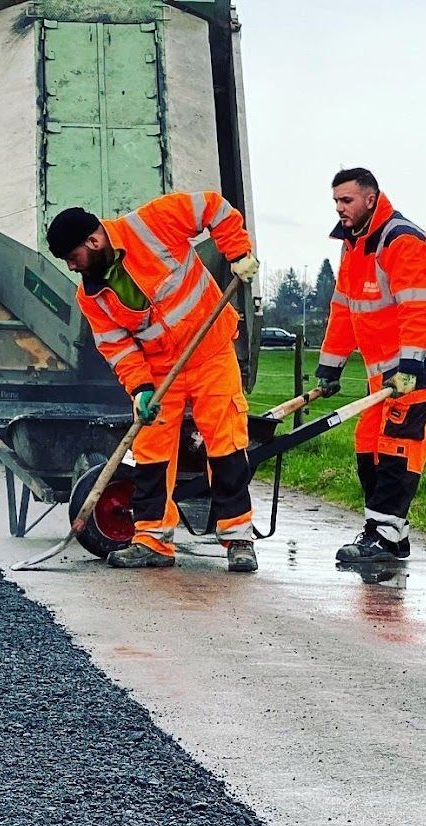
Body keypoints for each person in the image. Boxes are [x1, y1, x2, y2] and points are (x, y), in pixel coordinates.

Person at [46, 192, 261, 573]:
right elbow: (117, 347)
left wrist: (238, 252)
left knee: (225, 441)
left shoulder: (152, 223)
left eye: (73, 258)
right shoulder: (90, 296)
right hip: (161, 369)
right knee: (150, 451)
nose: (72, 267)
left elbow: (213, 207)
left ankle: (238, 538)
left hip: (211, 351)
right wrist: (140, 389)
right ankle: (152, 540)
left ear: (93, 241)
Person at [313, 168, 426, 564]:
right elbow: (343, 309)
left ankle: (385, 536)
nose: (339, 208)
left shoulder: (401, 240)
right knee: (368, 442)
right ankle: (387, 532)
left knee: (398, 445)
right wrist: (330, 366)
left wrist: (410, 365)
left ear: (370, 198)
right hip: (386, 371)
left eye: (346, 200)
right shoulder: (353, 245)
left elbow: (416, 307)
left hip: (422, 365)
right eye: (336, 201)